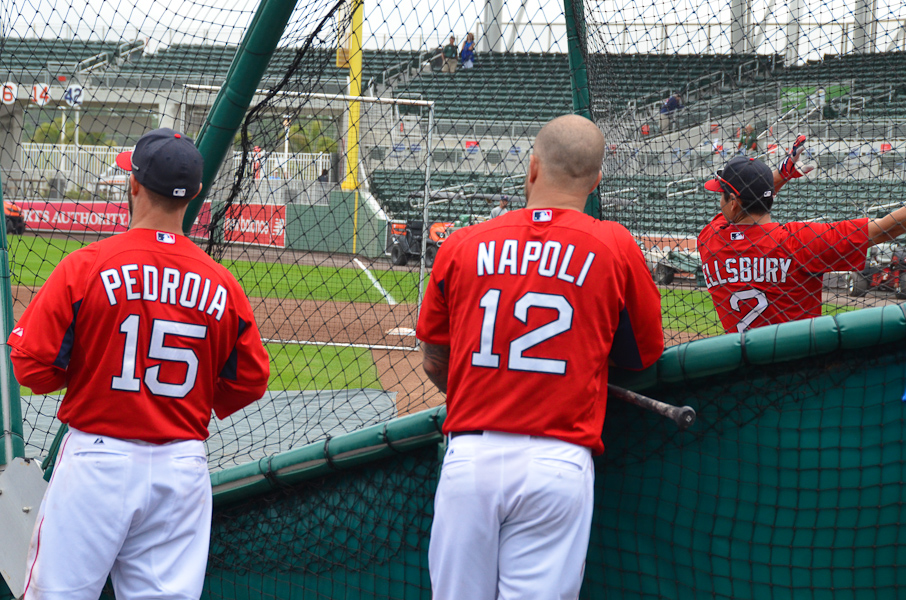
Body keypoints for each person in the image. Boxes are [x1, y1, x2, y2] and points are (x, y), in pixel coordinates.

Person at [11, 128, 271, 600]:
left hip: (97, 462)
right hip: (181, 469)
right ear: (194, 194)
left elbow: (31, 367)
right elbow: (250, 380)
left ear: (133, 185)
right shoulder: (223, 284)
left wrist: (93, 371)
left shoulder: (87, 265)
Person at [416, 115, 664, 599]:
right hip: (560, 461)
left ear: (532, 169)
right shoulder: (615, 245)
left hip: (471, 456)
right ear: (595, 182)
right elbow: (642, 357)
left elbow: (433, 359)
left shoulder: (463, 244)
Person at [698, 135, 906, 334]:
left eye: (721, 195)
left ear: (733, 203)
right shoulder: (800, 240)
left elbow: (740, 209)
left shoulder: (710, 239)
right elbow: (887, 228)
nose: (720, 201)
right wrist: (782, 175)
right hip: (800, 365)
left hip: (743, 365)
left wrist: (780, 175)